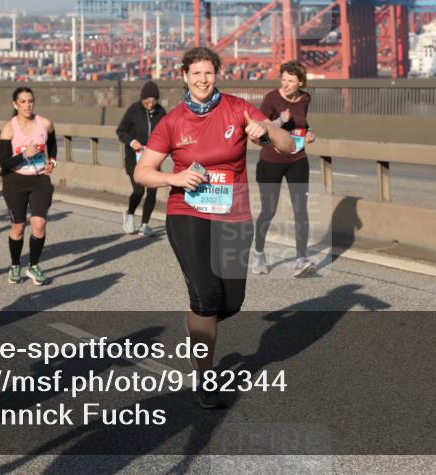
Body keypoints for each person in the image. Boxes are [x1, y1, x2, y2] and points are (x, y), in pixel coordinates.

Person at [134, 47, 294, 409]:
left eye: (208, 73)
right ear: (185, 77)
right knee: (206, 296)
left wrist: (266, 131)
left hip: (233, 213)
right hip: (186, 211)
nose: (203, 80)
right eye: (196, 74)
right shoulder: (172, 121)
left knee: (232, 301)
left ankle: (198, 322)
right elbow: (141, 172)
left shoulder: (237, 109)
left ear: (216, 74)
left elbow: (288, 145)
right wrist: (176, 176)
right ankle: (206, 375)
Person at [251, 61, 316, 277]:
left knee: (301, 211)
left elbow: (303, 125)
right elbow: (258, 133)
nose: (286, 84)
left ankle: (301, 259)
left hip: (298, 160)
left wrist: (309, 133)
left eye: (291, 80)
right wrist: (275, 141)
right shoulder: (272, 99)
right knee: (268, 211)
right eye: (283, 79)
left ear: (301, 82)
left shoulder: (305, 98)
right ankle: (259, 254)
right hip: (271, 162)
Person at [0, 87, 57, 285]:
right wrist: (24, 154)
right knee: (18, 227)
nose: (27, 105)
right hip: (15, 182)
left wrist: (52, 162)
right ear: (15, 104)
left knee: (39, 224)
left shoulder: (45, 123)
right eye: (22, 101)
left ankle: (33, 265)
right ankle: (15, 265)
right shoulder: (9, 128)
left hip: (39, 180)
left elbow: (54, 144)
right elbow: (4, 162)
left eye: (30, 100)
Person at [116, 80, 166, 237]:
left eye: (153, 100)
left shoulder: (161, 112)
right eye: (147, 100)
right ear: (142, 98)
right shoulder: (134, 110)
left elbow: (166, 132)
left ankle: (145, 224)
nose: (150, 104)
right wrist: (132, 142)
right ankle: (130, 213)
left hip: (152, 157)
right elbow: (121, 131)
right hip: (133, 157)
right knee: (138, 190)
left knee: (152, 191)